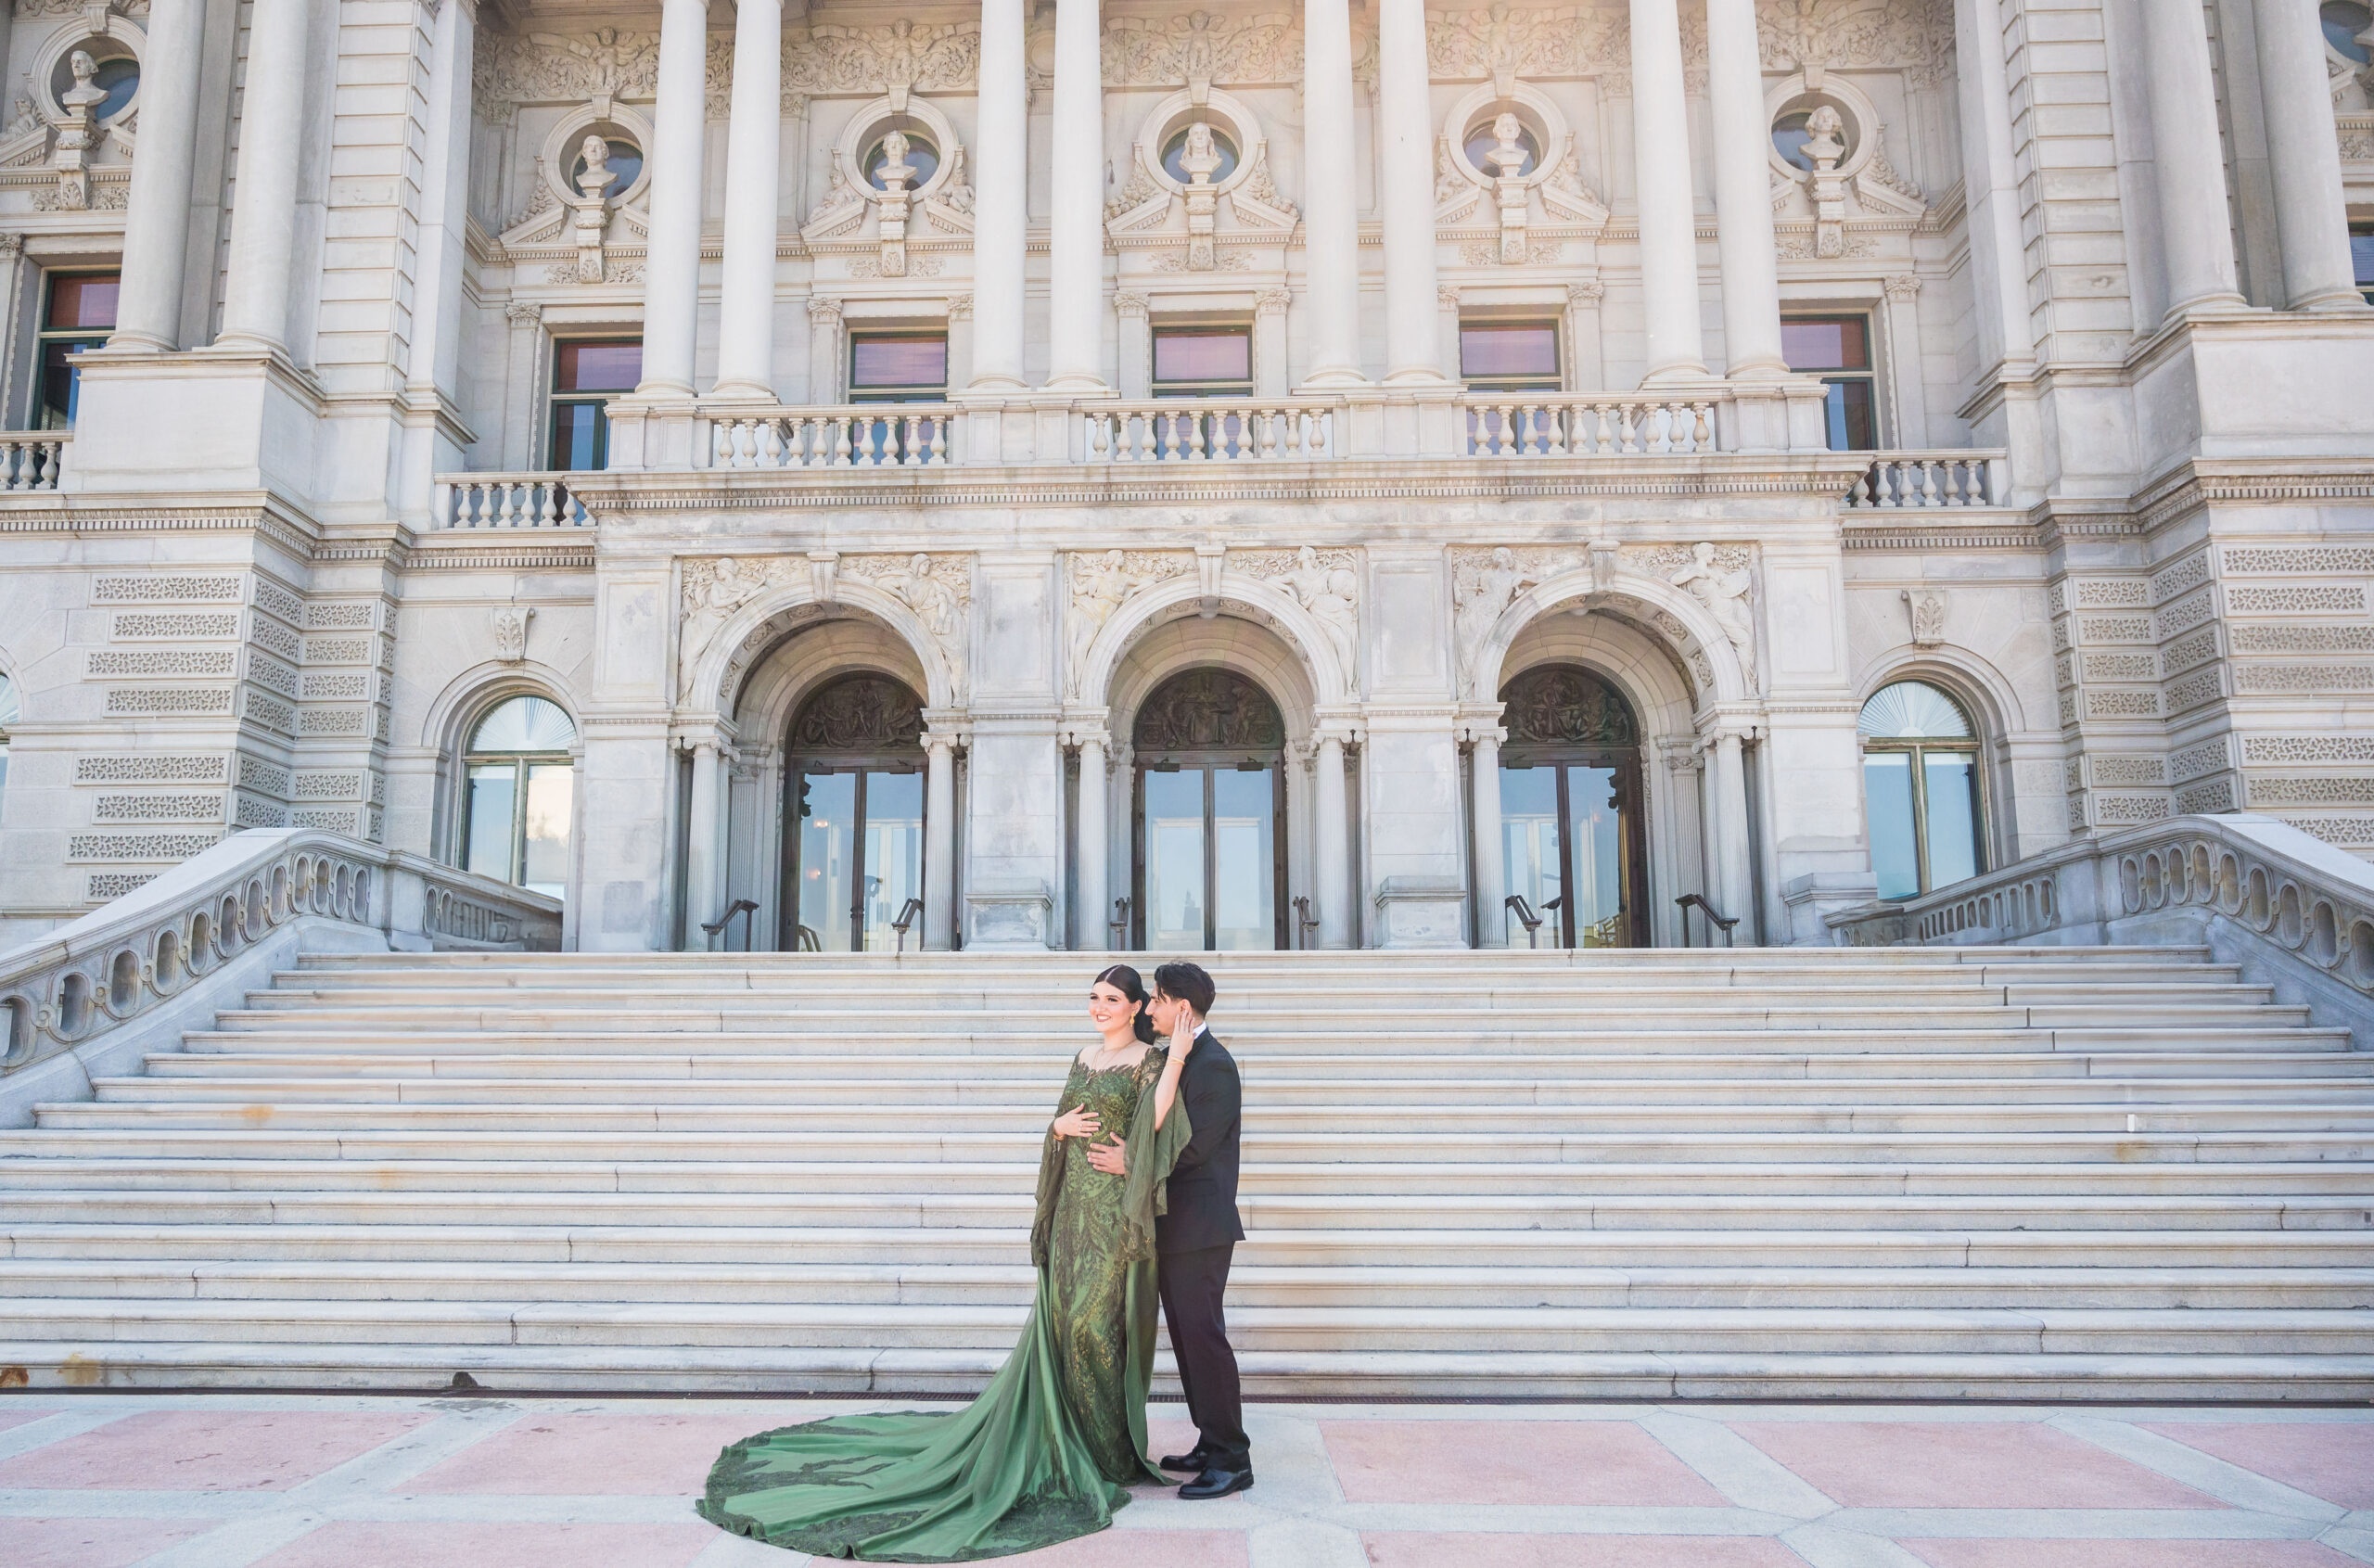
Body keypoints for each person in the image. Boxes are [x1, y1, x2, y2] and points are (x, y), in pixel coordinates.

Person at [696, 965, 1198, 1560]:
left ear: (1139, 1006)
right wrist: (1056, 1128)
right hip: (1070, 1213)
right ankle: (1066, 1445)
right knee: (1064, 1324)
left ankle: (1106, 1450)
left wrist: (1177, 1058)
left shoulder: (1147, 1061)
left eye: (1112, 999)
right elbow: (1062, 1125)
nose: (1099, 1007)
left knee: (1097, 1326)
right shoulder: (1084, 1055)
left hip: (1113, 1213)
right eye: (1094, 998)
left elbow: (1158, 1122)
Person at [1100, 961, 1251, 1499]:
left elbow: (1193, 1150)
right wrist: (1129, 999)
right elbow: (1136, 1025)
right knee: (1187, 1340)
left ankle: (1233, 1459)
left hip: (1201, 1230)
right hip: (1176, 1225)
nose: (1153, 1010)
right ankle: (1211, 1442)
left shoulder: (1214, 1067)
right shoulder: (1180, 1055)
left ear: (1182, 1008)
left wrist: (1131, 1161)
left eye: (1160, 1000)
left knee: (1203, 1339)